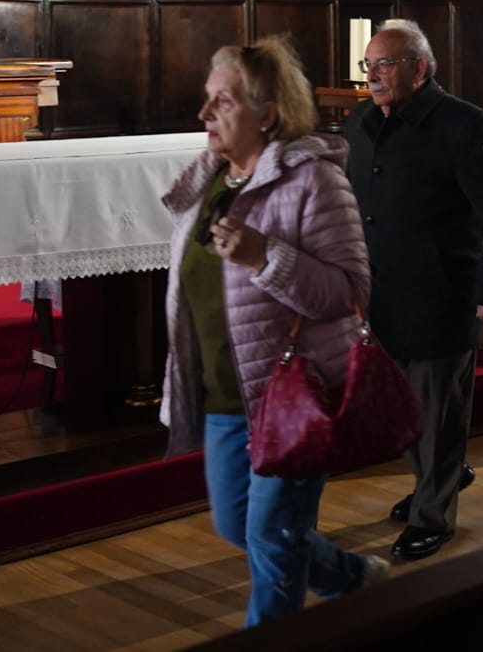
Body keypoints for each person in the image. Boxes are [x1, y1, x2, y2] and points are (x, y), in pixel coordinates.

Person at [160, 37, 387, 627]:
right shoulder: (208, 181)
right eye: (208, 100)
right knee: (236, 524)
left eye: (224, 102)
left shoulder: (314, 181)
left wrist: (267, 256)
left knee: (271, 538)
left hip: (290, 394)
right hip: (223, 395)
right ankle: (352, 577)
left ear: (269, 112)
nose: (205, 114)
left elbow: (349, 291)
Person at [345, 19, 483, 562]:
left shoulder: (464, 125)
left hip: (441, 292)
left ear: (419, 68)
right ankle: (442, 475)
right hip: (379, 291)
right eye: (368, 65)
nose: (373, 75)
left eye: (384, 64)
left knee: (436, 413)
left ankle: (433, 516)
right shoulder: (361, 120)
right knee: (394, 410)